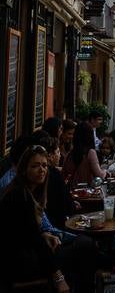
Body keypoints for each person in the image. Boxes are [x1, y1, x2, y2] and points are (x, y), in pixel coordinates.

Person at [0, 144, 98, 293]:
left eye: (45, 165)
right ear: (24, 170)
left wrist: (44, 234)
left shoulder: (30, 192)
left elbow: (27, 231)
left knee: (84, 245)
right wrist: (59, 278)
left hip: (25, 253)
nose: (42, 170)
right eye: (35, 166)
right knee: (84, 247)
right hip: (17, 262)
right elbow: (33, 240)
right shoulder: (20, 195)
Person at [62, 122, 107, 189]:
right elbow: (100, 175)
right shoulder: (90, 153)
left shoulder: (69, 154)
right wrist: (105, 171)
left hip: (72, 192)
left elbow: (64, 174)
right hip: (87, 193)